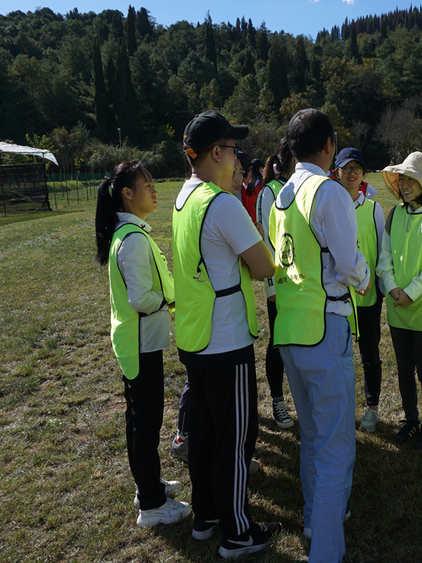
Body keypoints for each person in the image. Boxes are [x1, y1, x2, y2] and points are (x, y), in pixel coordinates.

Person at [172, 110, 282, 558]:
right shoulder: (221, 203)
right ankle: (237, 532)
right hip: (226, 341)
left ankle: (207, 516)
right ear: (216, 152)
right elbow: (264, 266)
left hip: (195, 338)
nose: (239, 161)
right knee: (233, 440)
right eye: (234, 150)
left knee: (203, 434)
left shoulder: (184, 198)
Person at [270, 108, 369, 563]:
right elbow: (350, 265)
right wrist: (366, 278)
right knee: (335, 447)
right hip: (325, 330)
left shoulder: (281, 195)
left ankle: (314, 520)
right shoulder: (328, 191)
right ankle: (326, 550)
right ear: (329, 144)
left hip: (290, 330)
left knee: (312, 437)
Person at [93, 160, 189, 527]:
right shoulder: (132, 240)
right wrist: (168, 299)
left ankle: (149, 485)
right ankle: (151, 505)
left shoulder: (131, 233)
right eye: (146, 184)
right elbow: (140, 298)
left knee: (141, 420)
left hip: (139, 342)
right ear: (126, 194)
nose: (154, 189)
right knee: (144, 425)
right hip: (140, 344)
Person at [376, 151, 422, 450]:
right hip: (396, 307)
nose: (404, 185)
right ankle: (410, 419)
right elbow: (385, 257)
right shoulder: (394, 214)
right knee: (404, 368)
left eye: (411, 179)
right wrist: (392, 288)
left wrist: (411, 292)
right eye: (402, 179)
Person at [331, 147, 385, 432]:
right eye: (345, 168)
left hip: (368, 298)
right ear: (336, 172)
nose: (351, 173)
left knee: (369, 353)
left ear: (363, 174)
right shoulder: (329, 205)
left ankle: (372, 407)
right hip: (338, 299)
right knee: (339, 356)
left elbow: (381, 251)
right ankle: (342, 408)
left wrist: (377, 285)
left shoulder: (374, 209)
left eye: (357, 168)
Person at [256, 139, 297, 430]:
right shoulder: (269, 191)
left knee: (294, 339)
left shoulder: (295, 187)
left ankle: (298, 399)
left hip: (298, 282)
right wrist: (271, 286)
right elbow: (269, 241)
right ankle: (277, 401)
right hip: (279, 282)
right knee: (277, 341)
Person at [241, 157, 265, 223]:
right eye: (262, 168)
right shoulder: (262, 183)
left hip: (251, 219)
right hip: (261, 218)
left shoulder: (249, 185)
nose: (263, 170)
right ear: (258, 169)